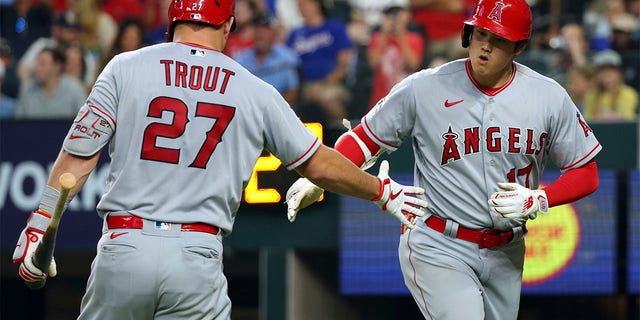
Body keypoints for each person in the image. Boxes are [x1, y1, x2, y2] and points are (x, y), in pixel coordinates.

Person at [12, 1, 428, 319]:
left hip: (125, 246)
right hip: (198, 256)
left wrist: (38, 223)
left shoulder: (124, 67)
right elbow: (317, 165)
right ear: (228, 25)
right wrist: (381, 190)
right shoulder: (253, 88)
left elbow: (78, 156)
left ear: (174, 18)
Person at [285, 0, 602, 319]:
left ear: (519, 47)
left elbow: (586, 173)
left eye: (498, 40)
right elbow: (363, 140)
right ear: (468, 34)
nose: (485, 47)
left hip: (507, 251)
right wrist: (319, 175)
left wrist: (541, 199)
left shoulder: (548, 96)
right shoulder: (424, 87)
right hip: (438, 242)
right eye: (480, 34)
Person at [286, 0, 354, 130]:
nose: (301, 7)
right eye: (299, 5)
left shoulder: (335, 28)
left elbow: (344, 63)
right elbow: (287, 64)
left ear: (316, 4)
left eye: (304, 3)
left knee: (330, 99)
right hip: (303, 87)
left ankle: (342, 135)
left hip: (332, 84)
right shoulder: (295, 34)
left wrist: (325, 83)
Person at [235, 13, 300, 105]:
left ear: (274, 33)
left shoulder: (286, 57)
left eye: (265, 30)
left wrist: (274, 108)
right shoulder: (242, 60)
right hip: (250, 108)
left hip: (280, 108)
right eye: (258, 29)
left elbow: (293, 90)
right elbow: (237, 91)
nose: (260, 34)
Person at [367, 5, 424, 108]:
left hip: (406, 98)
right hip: (380, 99)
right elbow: (373, 64)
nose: (394, 20)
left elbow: (413, 65)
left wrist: (400, 37)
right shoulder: (377, 38)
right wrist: (384, 35)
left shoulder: (415, 39)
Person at [15, 47, 86, 119]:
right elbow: (19, 125)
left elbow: (85, 121)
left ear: (57, 66)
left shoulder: (75, 88)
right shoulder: (26, 89)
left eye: (43, 64)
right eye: (36, 63)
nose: (37, 68)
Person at [583, 49, 639, 121]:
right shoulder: (591, 95)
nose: (607, 73)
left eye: (611, 69)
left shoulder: (629, 93)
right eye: (602, 70)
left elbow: (630, 120)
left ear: (619, 72)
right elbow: (587, 121)